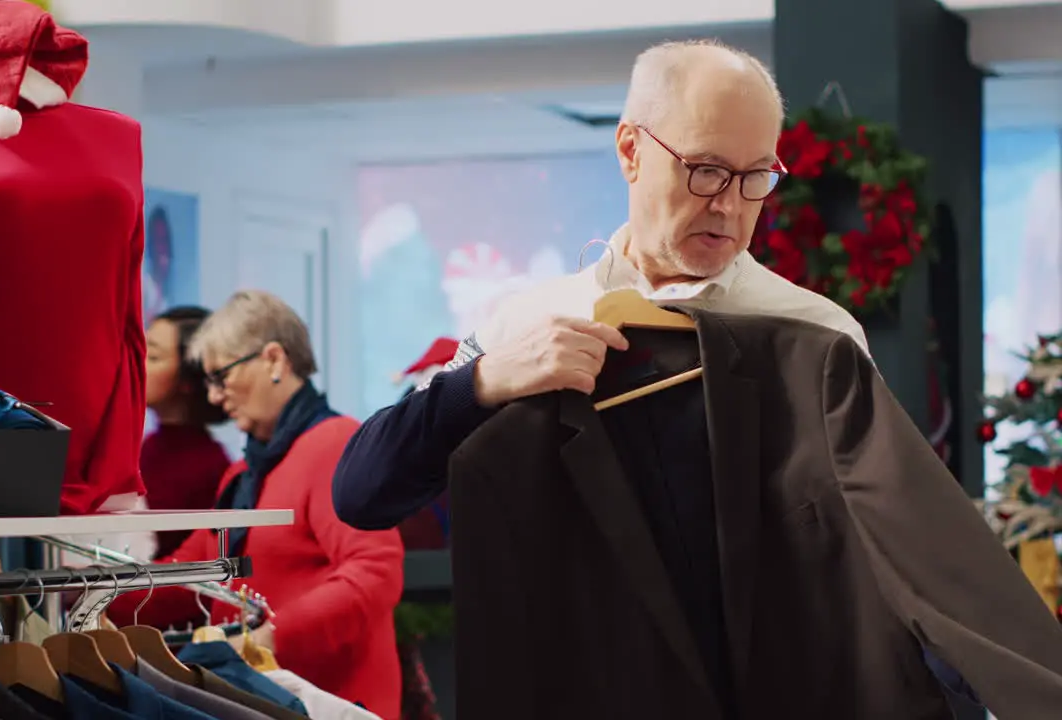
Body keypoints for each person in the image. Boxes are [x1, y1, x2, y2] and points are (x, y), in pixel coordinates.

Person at [330, 38, 980, 707]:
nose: (729, 205)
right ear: (630, 150)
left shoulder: (817, 336)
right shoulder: (526, 325)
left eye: (755, 176)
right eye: (704, 169)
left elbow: (892, 556)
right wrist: (484, 382)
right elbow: (361, 493)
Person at [110, 290, 404, 719]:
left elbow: (374, 573)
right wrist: (91, 594)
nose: (214, 397)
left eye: (221, 376)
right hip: (262, 699)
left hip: (329, 703)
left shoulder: (336, 444)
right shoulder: (247, 471)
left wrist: (270, 635)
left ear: (273, 360)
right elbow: (197, 566)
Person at [142, 306, 232, 558]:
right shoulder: (148, 447)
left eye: (153, 357)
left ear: (187, 379)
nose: (137, 364)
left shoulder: (211, 467)